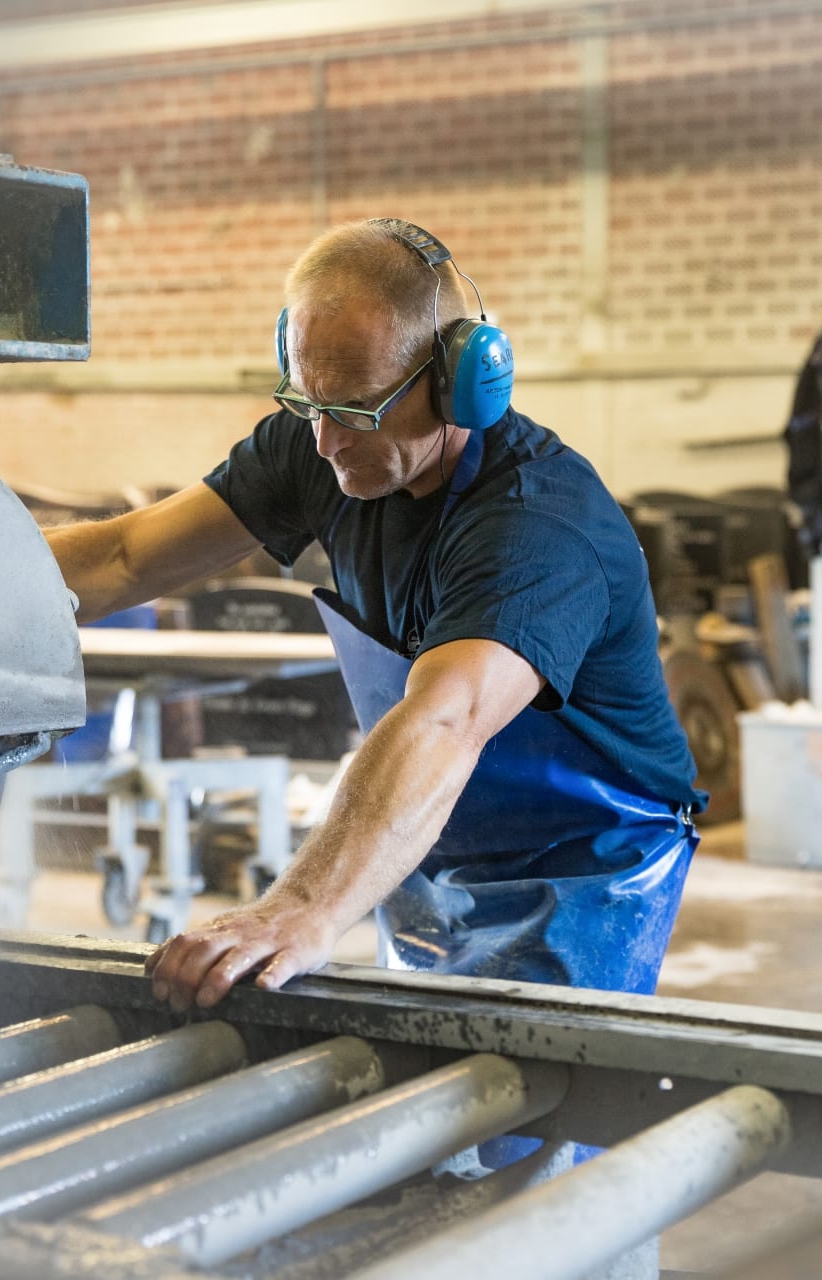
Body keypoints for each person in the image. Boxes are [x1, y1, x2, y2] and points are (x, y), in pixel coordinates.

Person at [47, 218, 703, 1014]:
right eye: (306, 401)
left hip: (581, 864)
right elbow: (123, 559)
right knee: (418, 1092)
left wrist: (301, 906)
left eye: (355, 410)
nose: (323, 441)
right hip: (427, 832)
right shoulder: (322, 441)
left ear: (459, 383)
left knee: (530, 1117)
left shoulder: (539, 528)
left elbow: (445, 721)